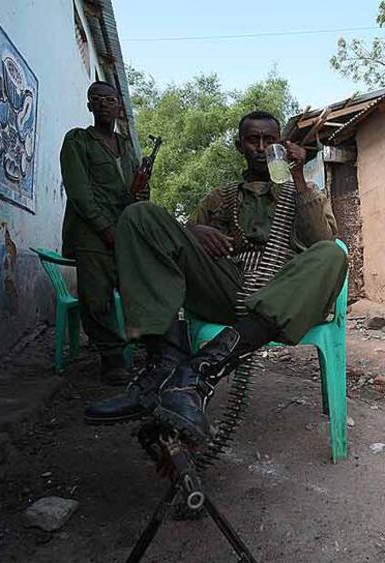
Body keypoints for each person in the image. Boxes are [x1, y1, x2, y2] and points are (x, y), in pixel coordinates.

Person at [84, 110, 348, 443]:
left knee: (332, 253)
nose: (261, 147)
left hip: (283, 296)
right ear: (241, 145)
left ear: (280, 144)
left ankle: (196, 375)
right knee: (140, 216)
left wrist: (296, 179)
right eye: (253, 140)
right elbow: (172, 245)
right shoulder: (221, 197)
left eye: (270, 140)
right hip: (224, 286)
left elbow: (321, 242)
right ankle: (162, 370)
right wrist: (193, 231)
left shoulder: (302, 191)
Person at [60, 81, 144, 385]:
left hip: (125, 231)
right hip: (91, 233)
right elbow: (79, 191)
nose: (105, 104)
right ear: (89, 106)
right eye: (97, 99)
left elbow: (137, 193)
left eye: (110, 99)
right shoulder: (78, 141)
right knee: (96, 300)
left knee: (140, 290)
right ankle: (111, 359)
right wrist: (104, 227)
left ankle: (150, 349)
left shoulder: (126, 148)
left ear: (119, 106)